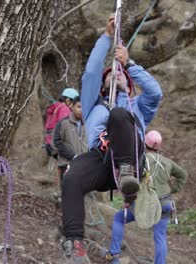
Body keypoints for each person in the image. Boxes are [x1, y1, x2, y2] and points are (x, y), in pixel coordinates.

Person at [61, 14, 163, 263]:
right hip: (103, 158)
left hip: (131, 158)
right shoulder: (93, 106)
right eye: (111, 74)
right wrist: (107, 36)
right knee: (72, 175)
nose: (115, 74)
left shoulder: (137, 105)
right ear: (104, 86)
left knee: (119, 115)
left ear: (129, 85)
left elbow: (155, 91)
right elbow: (91, 73)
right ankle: (74, 243)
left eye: (121, 75)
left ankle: (128, 176)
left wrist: (129, 65)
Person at [101, 130, 187, 264]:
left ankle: (114, 256)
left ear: (144, 143)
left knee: (119, 218)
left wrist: (128, 201)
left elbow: (132, 183)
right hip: (165, 203)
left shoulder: (140, 160)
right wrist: (172, 189)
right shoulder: (167, 162)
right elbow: (183, 175)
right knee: (160, 237)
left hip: (145, 203)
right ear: (159, 146)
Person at [53, 96, 87, 185]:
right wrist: (72, 156)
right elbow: (56, 142)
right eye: (79, 107)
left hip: (83, 165)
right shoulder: (63, 123)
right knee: (67, 191)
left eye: (83, 107)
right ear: (72, 107)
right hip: (66, 164)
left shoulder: (86, 124)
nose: (81, 110)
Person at [43, 88, 80, 159]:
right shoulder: (64, 109)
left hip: (49, 143)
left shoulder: (56, 106)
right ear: (68, 100)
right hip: (58, 145)